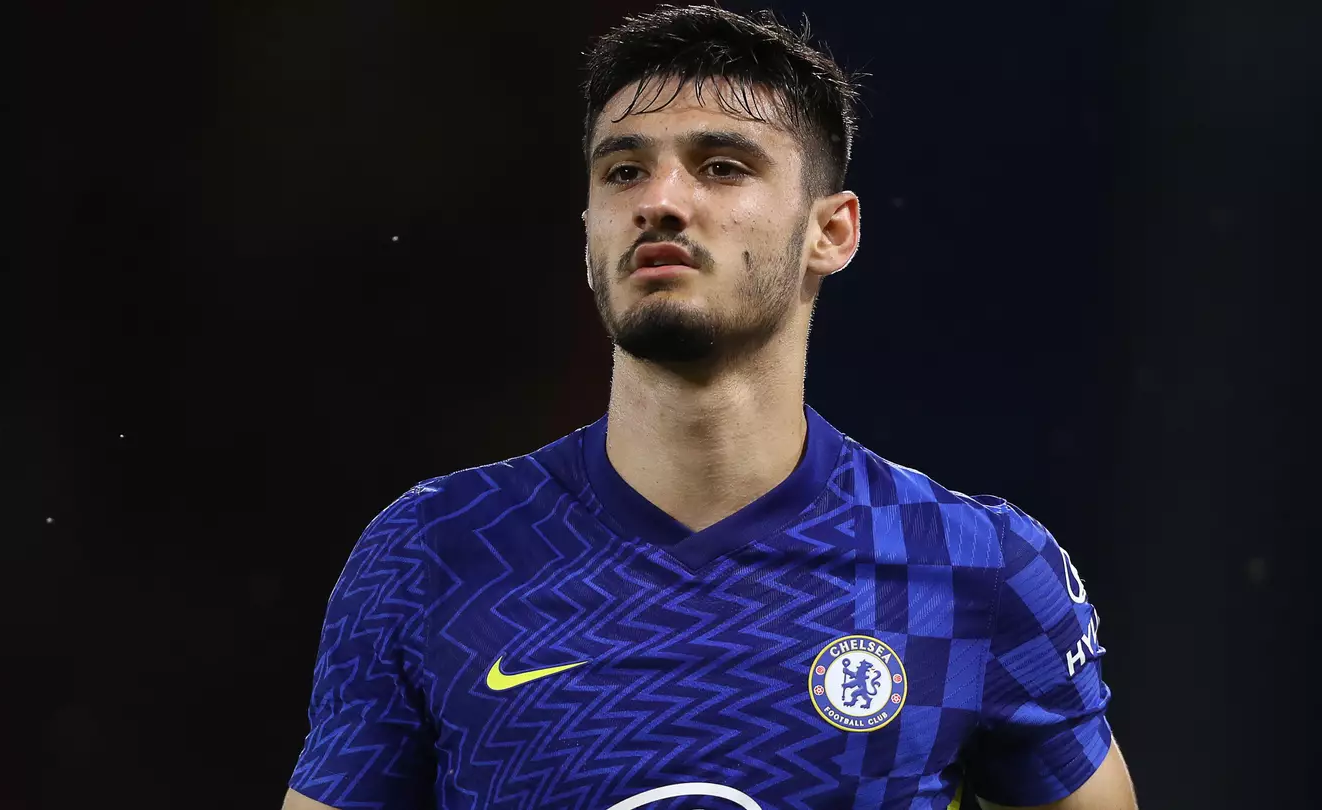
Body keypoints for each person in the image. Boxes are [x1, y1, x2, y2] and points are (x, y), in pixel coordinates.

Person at [280, 6, 1136, 809]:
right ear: (590, 232)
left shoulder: (972, 566)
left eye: (722, 166)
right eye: (623, 170)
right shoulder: (435, 552)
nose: (660, 200)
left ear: (830, 232)